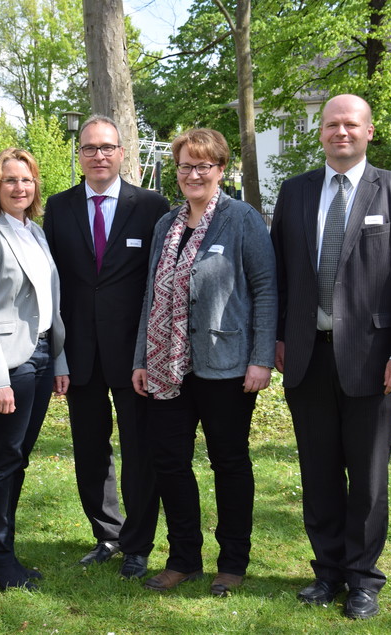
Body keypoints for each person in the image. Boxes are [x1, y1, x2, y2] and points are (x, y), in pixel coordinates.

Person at [270, 94, 391, 619]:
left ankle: (363, 580)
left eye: (351, 124)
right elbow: (279, 274)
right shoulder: (294, 193)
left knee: (366, 476)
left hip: (373, 358)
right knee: (317, 472)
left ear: (368, 131)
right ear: (321, 132)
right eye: (332, 124)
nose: (341, 132)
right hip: (306, 357)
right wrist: (276, 337)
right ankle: (327, 571)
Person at [131, 128, 277, 596]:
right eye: (185, 166)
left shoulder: (242, 219)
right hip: (167, 365)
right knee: (169, 461)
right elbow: (152, 294)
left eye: (203, 166)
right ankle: (184, 558)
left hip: (227, 364)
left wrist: (260, 359)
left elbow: (266, 291)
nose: (193, 174)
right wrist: (141, 358)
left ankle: (232, 562)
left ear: (220, 170)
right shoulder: (166, 226)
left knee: (229, 462)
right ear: (176, 172)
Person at [43, 115, 169, 579]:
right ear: (79, 155)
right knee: (90, 447)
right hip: (78, 354)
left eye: (107, 147)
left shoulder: (152, 205)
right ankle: (107, 534)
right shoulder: (59, 207)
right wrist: (56, 352)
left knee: (140, 448)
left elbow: (163, 280)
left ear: (121, 153)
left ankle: (138, 543)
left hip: (135, 355)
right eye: (89, 148)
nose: (99, 155)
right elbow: (52, 285)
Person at [0, 148, 70, 591]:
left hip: (42, 357)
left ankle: (6, 549)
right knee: (2, 460)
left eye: (26, 180)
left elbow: (49, 305)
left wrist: (58, 359)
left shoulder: (36, 233)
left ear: (35, 186)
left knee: (18, 458)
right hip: (7, 363)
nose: (19, 187)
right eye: (10, 180)